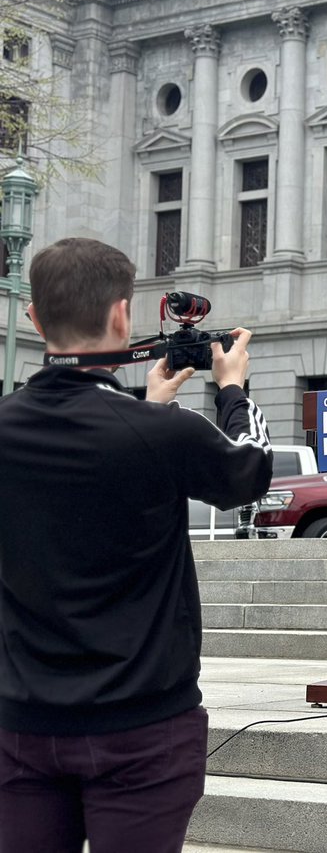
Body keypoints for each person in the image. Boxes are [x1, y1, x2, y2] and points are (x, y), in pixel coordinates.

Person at [0, 237, 272, 852]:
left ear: (35, 319)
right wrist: (232, 389)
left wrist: (150, 408)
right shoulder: (159, 432)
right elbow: (250, 472)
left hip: (22, 722)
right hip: (143, 724)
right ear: (123, 315)